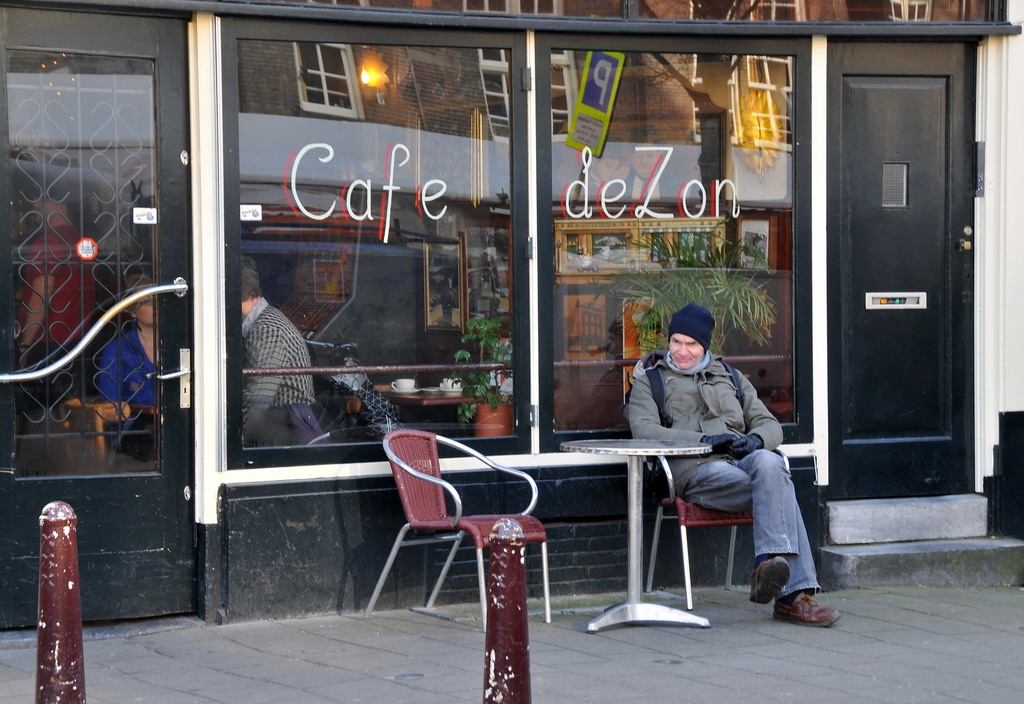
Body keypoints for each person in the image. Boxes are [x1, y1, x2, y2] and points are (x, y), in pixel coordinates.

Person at [627, 303, 840, 627]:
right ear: (669, 341)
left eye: (692, 344)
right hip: (698, 470)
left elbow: (771, 426)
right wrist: (703, 440)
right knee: (779, 484)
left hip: (743, 461)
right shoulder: (651, 381)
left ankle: (766, 563)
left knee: (771, 462)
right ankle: (791, 597)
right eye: (676, 342)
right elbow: (644, 431)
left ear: (705, 346)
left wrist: (755, 440)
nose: (682, 351)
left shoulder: (731, 377)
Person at [240, 256, 322, 446]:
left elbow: (258, 397)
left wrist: (233, 440)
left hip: (285, 428)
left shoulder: (266, 329)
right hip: (282, 423)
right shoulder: (266, 319)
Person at [95, 274, 157, 461]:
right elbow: (109, 405)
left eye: (157, 300)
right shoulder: (117, 350)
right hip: (132, 433)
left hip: (169, 428)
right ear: (132, 311)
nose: (155, 306)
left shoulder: (177, 346)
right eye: (147, 301)